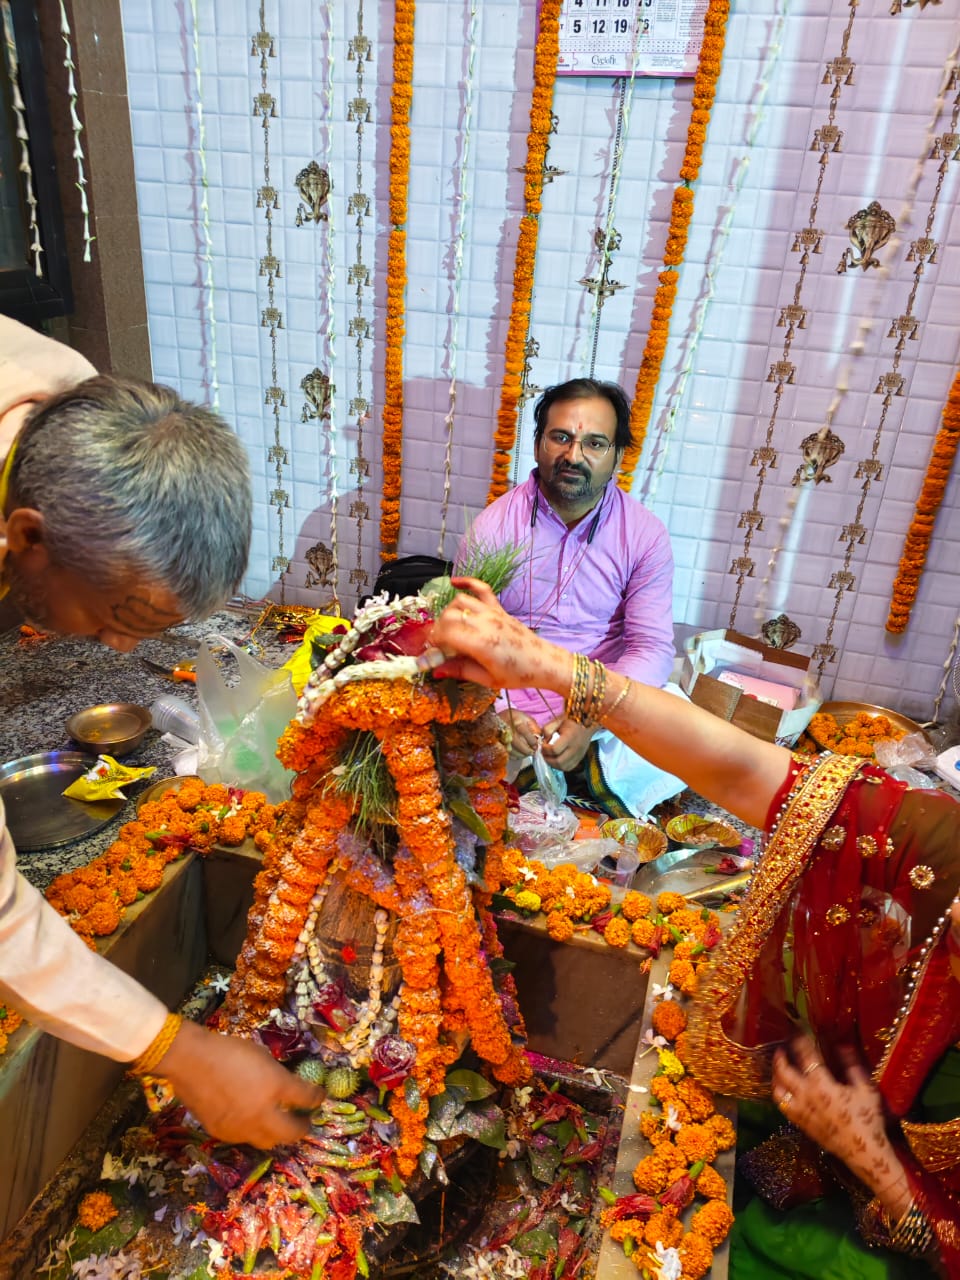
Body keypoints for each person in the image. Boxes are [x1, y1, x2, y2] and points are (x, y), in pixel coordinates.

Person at [422, 580, 960, 1276]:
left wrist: (884, 1173)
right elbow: (748, 772)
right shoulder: (939, 852)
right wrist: (548, 666)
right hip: (811, 1127)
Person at [0, 317, 322, 1146]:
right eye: (119, 619)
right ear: (28, 538)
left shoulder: (63, 403)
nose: (120, 652)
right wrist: (180, 1051)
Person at [460, 377, 683, 817]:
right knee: (438, 733)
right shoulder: (492, 528)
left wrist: (588, 715)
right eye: (561, 437)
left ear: (618, 455)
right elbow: (465, 639)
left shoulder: (644, 534)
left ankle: (570, 780)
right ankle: (573, 787)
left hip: (607, 702)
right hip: (514, 708)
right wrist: (500, 714)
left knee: (681, 726)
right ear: (539, 443)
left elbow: (651, 646)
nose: (574, 455)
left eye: (595, 443)